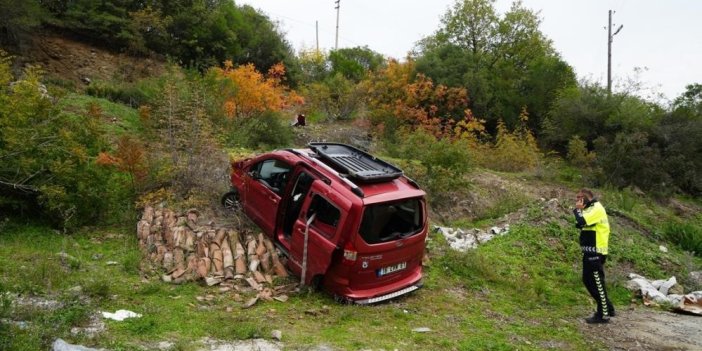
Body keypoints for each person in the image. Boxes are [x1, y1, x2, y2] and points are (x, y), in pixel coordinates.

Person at [573, 188, 615, 324]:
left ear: (586, 198)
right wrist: (580, 213)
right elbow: (579, 224)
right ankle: (608, 308)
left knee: (597, 283)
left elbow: (581, 221)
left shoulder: (596, 208)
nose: (577, 201)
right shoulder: (590, 209)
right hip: (589, 251)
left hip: (596, 253)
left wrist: (578, 210)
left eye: (579, 198)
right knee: (587, 280)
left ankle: (603, 315)